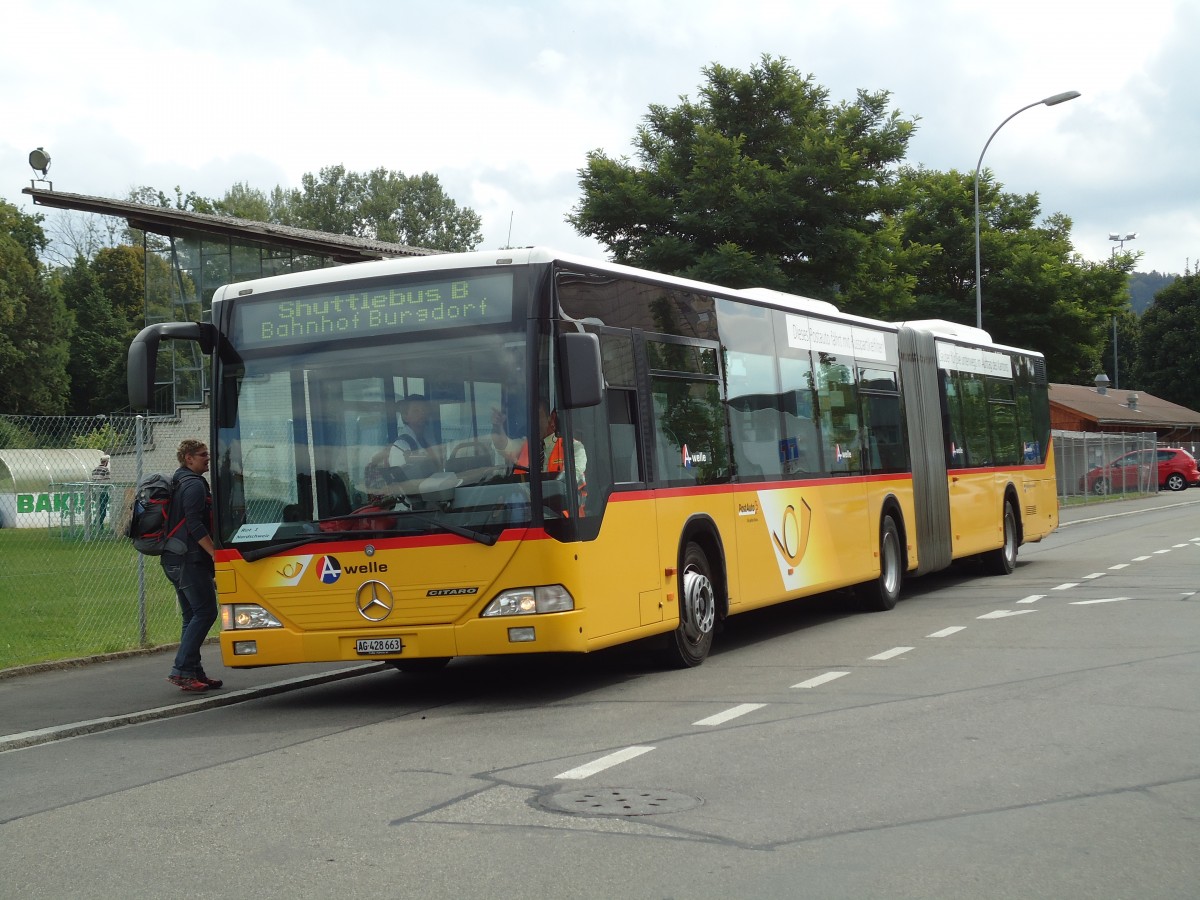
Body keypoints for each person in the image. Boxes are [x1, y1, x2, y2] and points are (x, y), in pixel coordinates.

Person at [161, 439, 222, 693]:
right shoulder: (194, 485)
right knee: (206, 613)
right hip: (190, 559)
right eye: (202, 454)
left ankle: (193, 671)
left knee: (192, 616)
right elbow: (195, 524)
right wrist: (215, 554)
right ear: (188, 458)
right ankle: (182, 670)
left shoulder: (178, 480)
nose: (207, 458)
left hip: (173, 558)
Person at [89, 454, 112, 528]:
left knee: (99, 509)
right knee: (103, 510)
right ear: (106, 462)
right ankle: (97, 524)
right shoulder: (106, 470)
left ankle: (99, 526)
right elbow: (107, 482)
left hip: (95, 492)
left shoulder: (94, 470)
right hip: (103, 492)